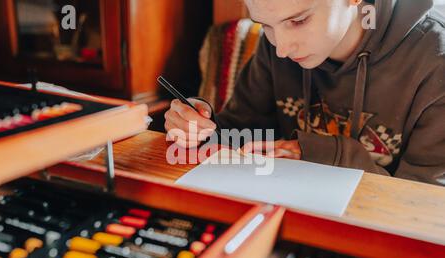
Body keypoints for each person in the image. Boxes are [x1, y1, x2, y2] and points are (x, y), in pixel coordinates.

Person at [164, 0, 445, 186]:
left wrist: (321, 153)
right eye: (266, 26)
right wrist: (198, 125)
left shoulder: (435, 59)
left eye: (298, 21)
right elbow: (239, 135)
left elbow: (423, 201)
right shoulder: (274, 46)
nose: (282, 49)